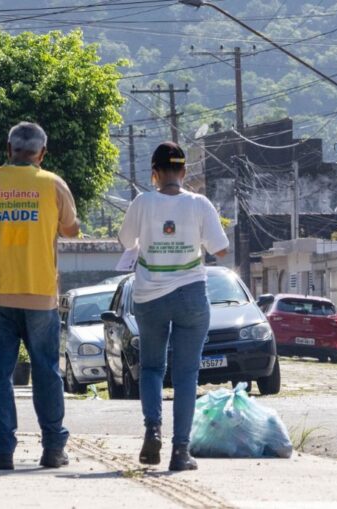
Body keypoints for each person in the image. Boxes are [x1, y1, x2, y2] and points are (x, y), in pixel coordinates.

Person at [0, 122, 80, 470]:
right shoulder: (53, 183)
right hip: (40, 293)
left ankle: (3, 453)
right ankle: (54, 449)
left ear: (8, 148)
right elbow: (72, 229)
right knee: (46, 371)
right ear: (41, 153)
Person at [118, 141, 229, 471]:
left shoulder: (142, 202)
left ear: (155, 174)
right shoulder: (199, 203)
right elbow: (221, 250)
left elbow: (126, 242)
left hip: (149, 296)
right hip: (192, 296)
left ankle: (153, 428)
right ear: (183, 172)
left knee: (152, 368)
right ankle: (180, 452)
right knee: (186, 374)